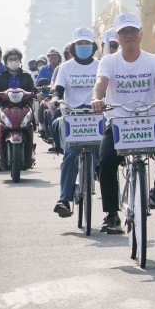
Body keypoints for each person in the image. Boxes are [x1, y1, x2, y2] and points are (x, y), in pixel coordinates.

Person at [89, 12, 155, 234]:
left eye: (132, 31)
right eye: (123, 32)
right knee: (106, 161)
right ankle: (111, 214)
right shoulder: (109, 61)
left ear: (141, 34)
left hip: (150, 122)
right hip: (119, 122)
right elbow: (101, 82)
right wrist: (96, 99)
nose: (129, 35)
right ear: (117, 37)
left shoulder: (154, 60)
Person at [52, 28, 101, 218]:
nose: (83, 47)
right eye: (79, 44)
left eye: (87, 43)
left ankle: (112, 208)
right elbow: (59, 89)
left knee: (101, 156)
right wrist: (55, 99)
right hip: (73, 115)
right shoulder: (66, 67)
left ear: (93, 46)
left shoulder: (100, 65)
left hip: (96, 114)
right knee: (70, 155)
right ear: (73, 47)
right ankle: (64, 199)